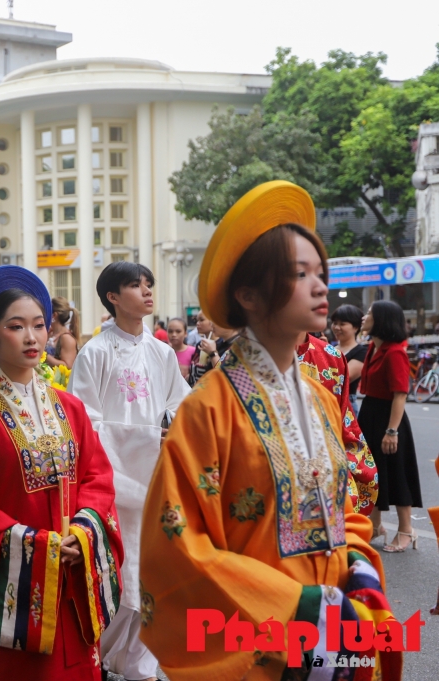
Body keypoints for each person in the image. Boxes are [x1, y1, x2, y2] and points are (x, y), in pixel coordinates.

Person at [138, 181, 395, 679]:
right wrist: (299, 608)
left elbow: (342, 511)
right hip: (261, 653)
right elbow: (177, 549)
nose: (320, 287)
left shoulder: (320, 399)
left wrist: (360, 567)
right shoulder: (207, 411)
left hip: (338, 640)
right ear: (247, 294)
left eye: (320, 272)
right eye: (300, 275)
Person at [0, 265, 122, 680]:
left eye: (39, 325)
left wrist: (83, 533)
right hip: (12, 600)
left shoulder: (70, 408)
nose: (32, 337)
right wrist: (39, 547)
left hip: (70, 586)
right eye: (16, 327)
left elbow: (97, 478)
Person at [68, 261, 190, 681]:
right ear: (113, 298)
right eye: (135, 285)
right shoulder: (95, 352)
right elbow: (85, 424)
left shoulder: (162, 352)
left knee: (153, 580)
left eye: (149, 284)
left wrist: (172, 426)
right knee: (119, 580)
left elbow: (180, 405)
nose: (147, 291)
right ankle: (98, 656)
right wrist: (143, 439)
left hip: (157, 482)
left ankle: (141, 665)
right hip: (116, 485)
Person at [359, 300, 423, 552]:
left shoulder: (394, 351)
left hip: (389, 418)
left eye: (370, 314)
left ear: (382, 320)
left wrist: (391, 431)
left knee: (396, 472)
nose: (364, 318)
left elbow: (400, 394)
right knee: (371, 472)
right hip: (370, 413)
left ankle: (406, 530)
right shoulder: (373, 348)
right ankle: (376, 525)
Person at [296, 330, 378, 516]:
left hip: (328, 485)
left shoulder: (330, 356)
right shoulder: (235, 367)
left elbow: (343, 425)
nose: (321, 299)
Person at [331, 304, 367, 414]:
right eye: (335, 323)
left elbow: (343, 377)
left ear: (356, 327)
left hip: (346, 404)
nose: (337, 327)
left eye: (342, 324)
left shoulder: (362, 352)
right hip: (327, 401)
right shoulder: (329, 348)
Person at [187, 311, 237, 386]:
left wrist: (213, 353)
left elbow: (225, 378)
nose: (211, 323)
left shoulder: (238, 347)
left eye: (215, 320)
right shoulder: (222, 344)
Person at [45, 296, 81, 370]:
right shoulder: (51, 333)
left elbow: (68, 365)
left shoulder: (66, 338)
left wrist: (44, 355)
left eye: (47, 312)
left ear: (54, 315)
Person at [166, 317, 194, 381]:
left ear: (185, 333)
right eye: (170, 331)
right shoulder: (163, 352)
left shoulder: (194, 352)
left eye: (178, 331)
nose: (174, 334)